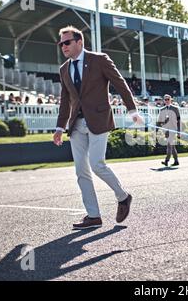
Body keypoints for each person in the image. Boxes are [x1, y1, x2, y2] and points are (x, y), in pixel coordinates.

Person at [53, 25, 144, 230]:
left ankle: (123, 196)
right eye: (61, 44)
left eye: (67, 42)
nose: (63, 47)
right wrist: (59, 127)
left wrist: (132, 111)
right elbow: (65, 100)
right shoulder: (64, 69)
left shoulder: (99, 59)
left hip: (99, 120)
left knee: (97, 164)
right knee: (81, 171)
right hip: (76, 124)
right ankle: (93, 215)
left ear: (79, 42)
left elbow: (120, 84)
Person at [157, 94, 181, 167]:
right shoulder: (162, 109)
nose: (167, 101)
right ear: (164, 101)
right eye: (165, 99)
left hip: (173, 129)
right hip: (166, 130)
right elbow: (160, 121)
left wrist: (179, 131)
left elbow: (179, 120)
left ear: (171, 100)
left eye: (168, 99)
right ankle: (176, 161)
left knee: (169, 145)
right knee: (172, 146)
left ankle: (166, 160)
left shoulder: (175, 108)